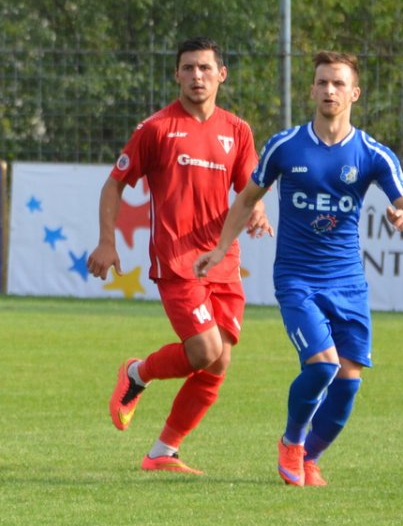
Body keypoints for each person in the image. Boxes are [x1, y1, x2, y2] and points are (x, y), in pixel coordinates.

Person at [194, 51, 403, 487]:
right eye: (322, 82)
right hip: (297, 278)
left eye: (338, 83)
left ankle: (311, 456)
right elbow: (246, 198)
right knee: (322, 366)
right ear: (312, 90)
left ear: (354, 92)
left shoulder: (372, 153)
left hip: (348, 284)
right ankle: (292, 442)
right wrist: (223, 247)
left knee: (347, 387)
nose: (329, 90)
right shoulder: (286, 145)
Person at [88, 37, 272, 474]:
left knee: (218, 361)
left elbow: (249, 188)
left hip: (223, 260)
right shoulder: (156, 129)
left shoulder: (238, 130)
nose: (196, 77)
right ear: (176, 75)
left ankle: (162, 452)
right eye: (188, 69)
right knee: (206, 349)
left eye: (205, 68)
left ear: (221, 74)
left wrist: (259, 209)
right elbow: (114, 183)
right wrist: (107, 241)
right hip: (176, 261)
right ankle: (137, 373)